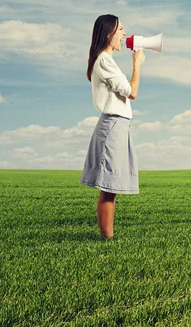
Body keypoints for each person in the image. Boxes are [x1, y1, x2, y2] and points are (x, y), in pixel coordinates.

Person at [80, 14, 145, 238]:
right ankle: (107, 238)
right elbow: (132, 92)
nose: (124, 34)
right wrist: (137, 64)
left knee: (112, 185)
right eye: (120, 29)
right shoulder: (104, 61)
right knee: (109, 186)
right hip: (113, 126)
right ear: (109, 34)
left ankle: (108, 236)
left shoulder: (107, 61)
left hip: (118, 126)